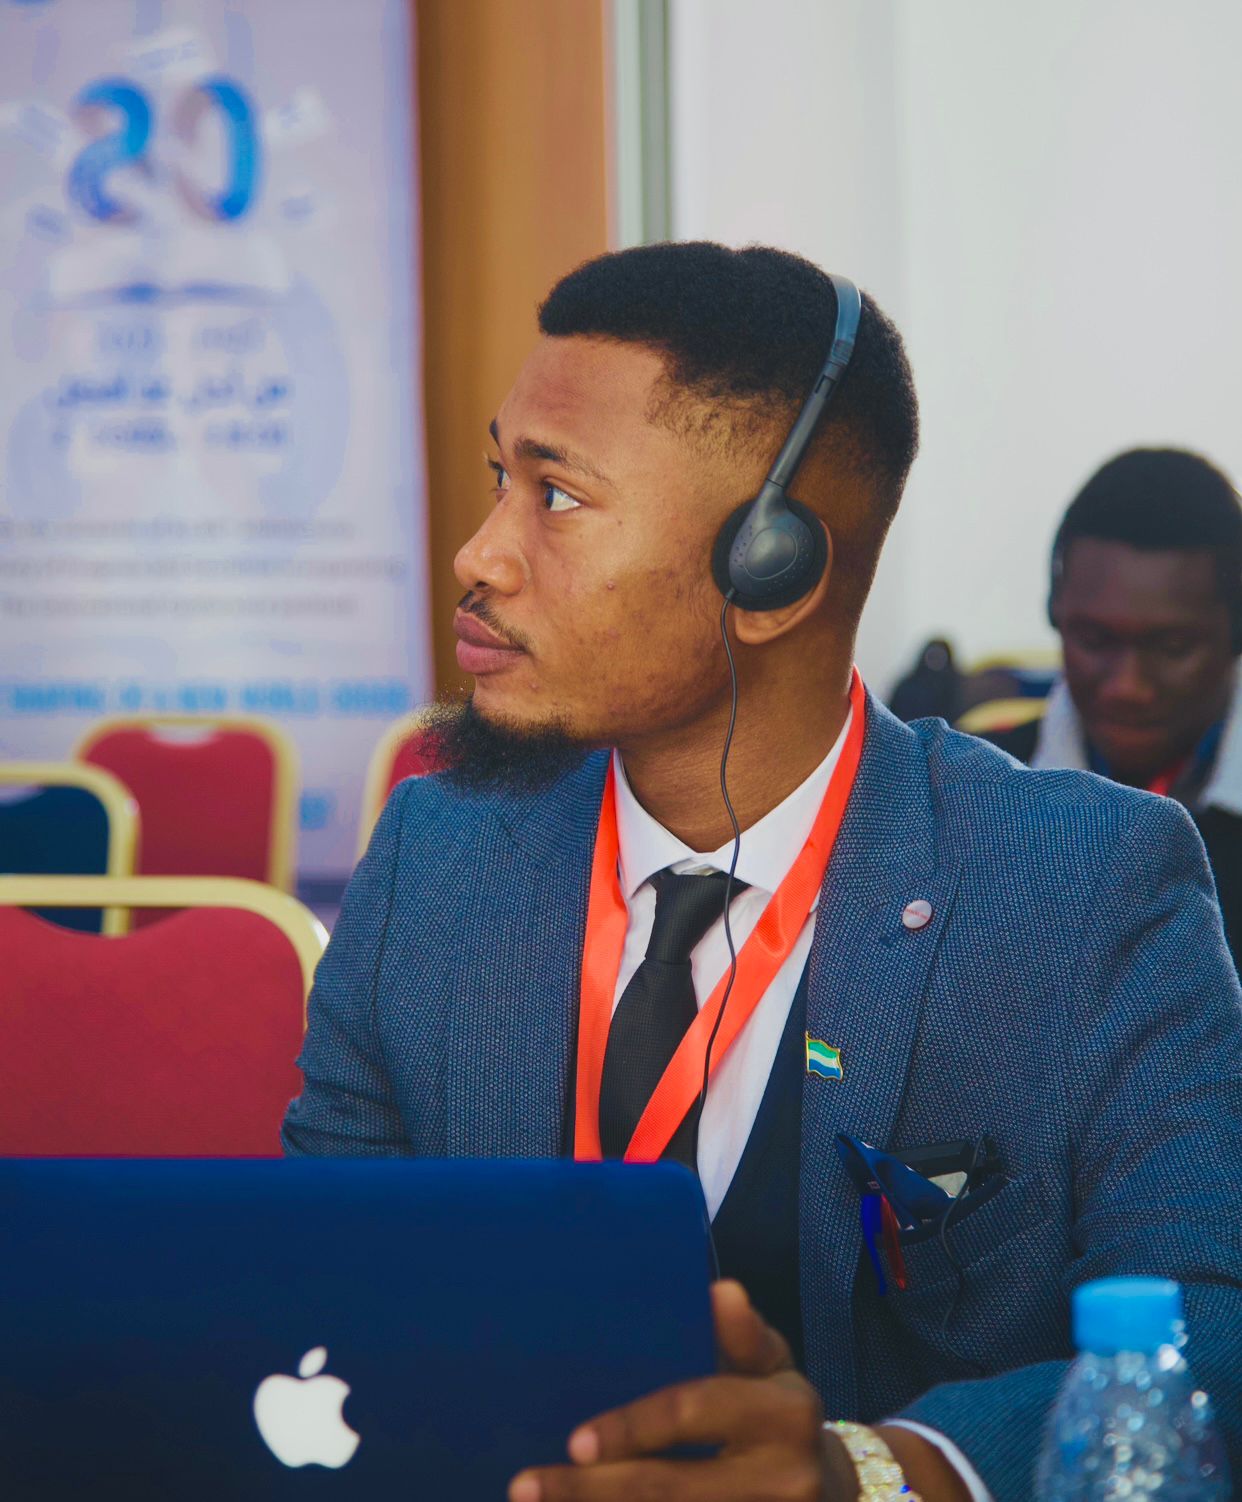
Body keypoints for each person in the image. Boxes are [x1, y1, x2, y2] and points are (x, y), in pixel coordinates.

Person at [282, 244, 1242, 1502]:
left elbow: (1212, 1334)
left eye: (556, 497)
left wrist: (880, 1470)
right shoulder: (437, 858)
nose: (480, 553)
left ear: (772, 567)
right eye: (496, 479)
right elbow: (312, 1281)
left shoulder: (1086, 885)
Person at [987, 448, 1242, 964]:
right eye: (1094, 639)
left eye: (1172, 648)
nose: (1128, 687)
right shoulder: (968, 805)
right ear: (1055, 614)